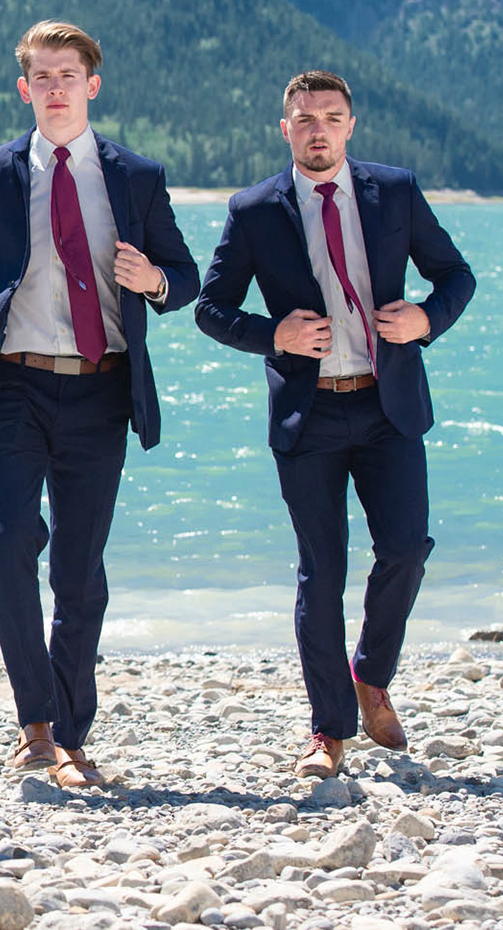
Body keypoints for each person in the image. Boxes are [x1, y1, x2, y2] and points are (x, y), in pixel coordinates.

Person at [0, 21, 198, 789]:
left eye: (69, 74)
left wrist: (156, 284)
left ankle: (72, 732)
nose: (57, 88)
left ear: (92, 85)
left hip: (102, 389)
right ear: (25, 88)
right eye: (42, 76)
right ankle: (34, 723)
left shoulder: (136, 177)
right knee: (9, 546)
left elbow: (186, 276)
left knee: (79, 572)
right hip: (11, 386)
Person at [196, 70, 474, 778]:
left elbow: (456, 276)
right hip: (308, 412)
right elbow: (211, 308)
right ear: (283, 128)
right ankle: (328, 732)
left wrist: (425, 320)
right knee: (322, 573)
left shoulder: (396, 192)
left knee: (407, 549)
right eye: (304, 117)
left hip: (388, 405)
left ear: (351, 125)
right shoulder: (255, 209)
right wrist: (274, 336)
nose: (317, 127)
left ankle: (370, 673)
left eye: (330, 115)